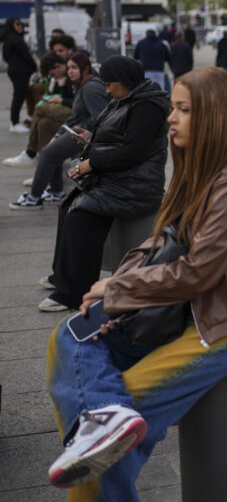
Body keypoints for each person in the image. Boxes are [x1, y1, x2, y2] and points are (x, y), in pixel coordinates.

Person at [45, 67, 227, 499]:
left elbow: (198, 272)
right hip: (183, 300)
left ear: (216, 118)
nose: (170, 119)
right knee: (69, 339)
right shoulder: (196, 170)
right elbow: (161, 241)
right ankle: (100, 429)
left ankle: (102, 437)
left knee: (123, 413)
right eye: (172, 108)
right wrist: (120, 281)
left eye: (183, 110)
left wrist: (118, 290)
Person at [38, 56, 170, 313]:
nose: (107, 89)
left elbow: (134, 152)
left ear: (124, 81)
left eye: (110, 84)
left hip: (136, 185)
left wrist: (92, 161)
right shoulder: (126, 99)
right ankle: (63, 279)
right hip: (120, 177)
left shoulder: (147, 106)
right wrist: (90, 140)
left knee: (82, 215)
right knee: (68, 206)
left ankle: (73, 293)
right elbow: (118, 141)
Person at [10, 52, 109, 211]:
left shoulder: (90, 88)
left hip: (83, 134)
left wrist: (87, 135)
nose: (70, 71)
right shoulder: (83, 85)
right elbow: (76, 115)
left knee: (47, 154)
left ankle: (34, 198)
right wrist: (57, 135)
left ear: (85, 69)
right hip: (76, 129)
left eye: (74, 68)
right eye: (69, 67)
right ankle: (56, 192)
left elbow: (101, 117)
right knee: (49, 147)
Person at [3, 17, 36, 132]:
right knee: (19, 96)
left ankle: (15, 122)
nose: (21, 26)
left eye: (21, 23)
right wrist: (34, 66)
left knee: (19, 95)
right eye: (17, 24)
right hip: (20, 71)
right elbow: (26, 55)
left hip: (14, 70)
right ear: (12, 25)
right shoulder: (16, 39)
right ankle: (15, 123)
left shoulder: (8, 39)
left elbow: (5, 57)